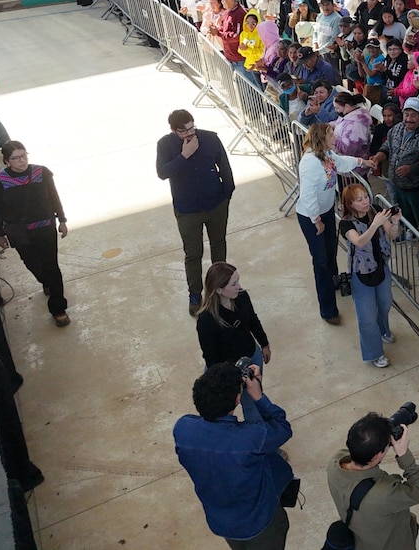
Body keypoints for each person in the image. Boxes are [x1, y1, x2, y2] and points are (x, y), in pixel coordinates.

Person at [173, 362, 293, 549]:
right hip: (260, 522)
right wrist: (258, 396)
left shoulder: (182, 428)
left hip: (221, 520)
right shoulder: (250, 438)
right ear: (238, 400)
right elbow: (283, 428)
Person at [155, 110, 234, 317]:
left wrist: (226, 194)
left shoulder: (210, 138)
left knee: (218, 243)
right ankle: (195, 294)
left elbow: (225, 167)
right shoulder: (165, 145)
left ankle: (221, 286)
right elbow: (163, 172)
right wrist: (185, 154)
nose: (190, 133)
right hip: (188, 209)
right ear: (174, 130)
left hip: (216, 205)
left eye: (192, 128)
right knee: (193, 253)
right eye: (184, 131)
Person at [0, 141, 70, 326]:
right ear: (6, 161)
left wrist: (62, 219)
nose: (22, 161)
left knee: (51, 265)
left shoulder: (41, 173)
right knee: (32, 264)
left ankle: (58, 308)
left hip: (45, 227)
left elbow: (53, 196)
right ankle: (45, 281)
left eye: (24, 155)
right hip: (19, 232)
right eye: (16, 158)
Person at [326, 413, 419, 550]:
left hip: (360, 536)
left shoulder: (334, 463)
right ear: (378, 455)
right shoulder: (384, 494)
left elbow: (361, 448)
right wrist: (403, 455)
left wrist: (378, 434)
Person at [297, 123, 364, 325]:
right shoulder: (309, 162)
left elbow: (341, 163)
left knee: (331, 252)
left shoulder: (327, 155)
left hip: (325, 211)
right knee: (321, 261)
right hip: (312, 216)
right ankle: (328, 310)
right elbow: (307, 196)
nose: (335, 138)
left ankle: (332, 281)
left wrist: (362, 161)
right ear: (321, 138)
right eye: (331, 135)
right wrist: (316, 220)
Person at [196, 263, 271, 421]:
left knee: (252, 403)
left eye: (238, 281)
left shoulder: (242, 297)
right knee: (220, 410)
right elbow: (211, 357)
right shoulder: (206, 320)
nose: (239, 287)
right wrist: (229, 381)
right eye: (234, 284)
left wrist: (264, 343)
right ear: (218, 290)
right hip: (225, 369)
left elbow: (253, 321)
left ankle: (256, 440)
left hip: (251, 357)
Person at [339, 183, 401, 368]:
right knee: (366, 316)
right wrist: (375, 225)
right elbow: (358, 241)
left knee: (384, 303)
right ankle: (375, 353)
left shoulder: (376, 210)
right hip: (361, 273)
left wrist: (396, 221)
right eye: (359, 200)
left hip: (381, 267)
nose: (365, 202)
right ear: (350, 204)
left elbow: (392, 233)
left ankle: (383, 330)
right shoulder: (346, 223)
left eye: (366, 196)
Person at [368, 98, 419, 232]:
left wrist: (411, 169)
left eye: (413, 115)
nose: (409, 119)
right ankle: (407, 231)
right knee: (403, 212)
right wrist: (378, 158)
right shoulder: (397, 128)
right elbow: (386, 147)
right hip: (395, 181)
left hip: (415, 186)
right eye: (406, 115)